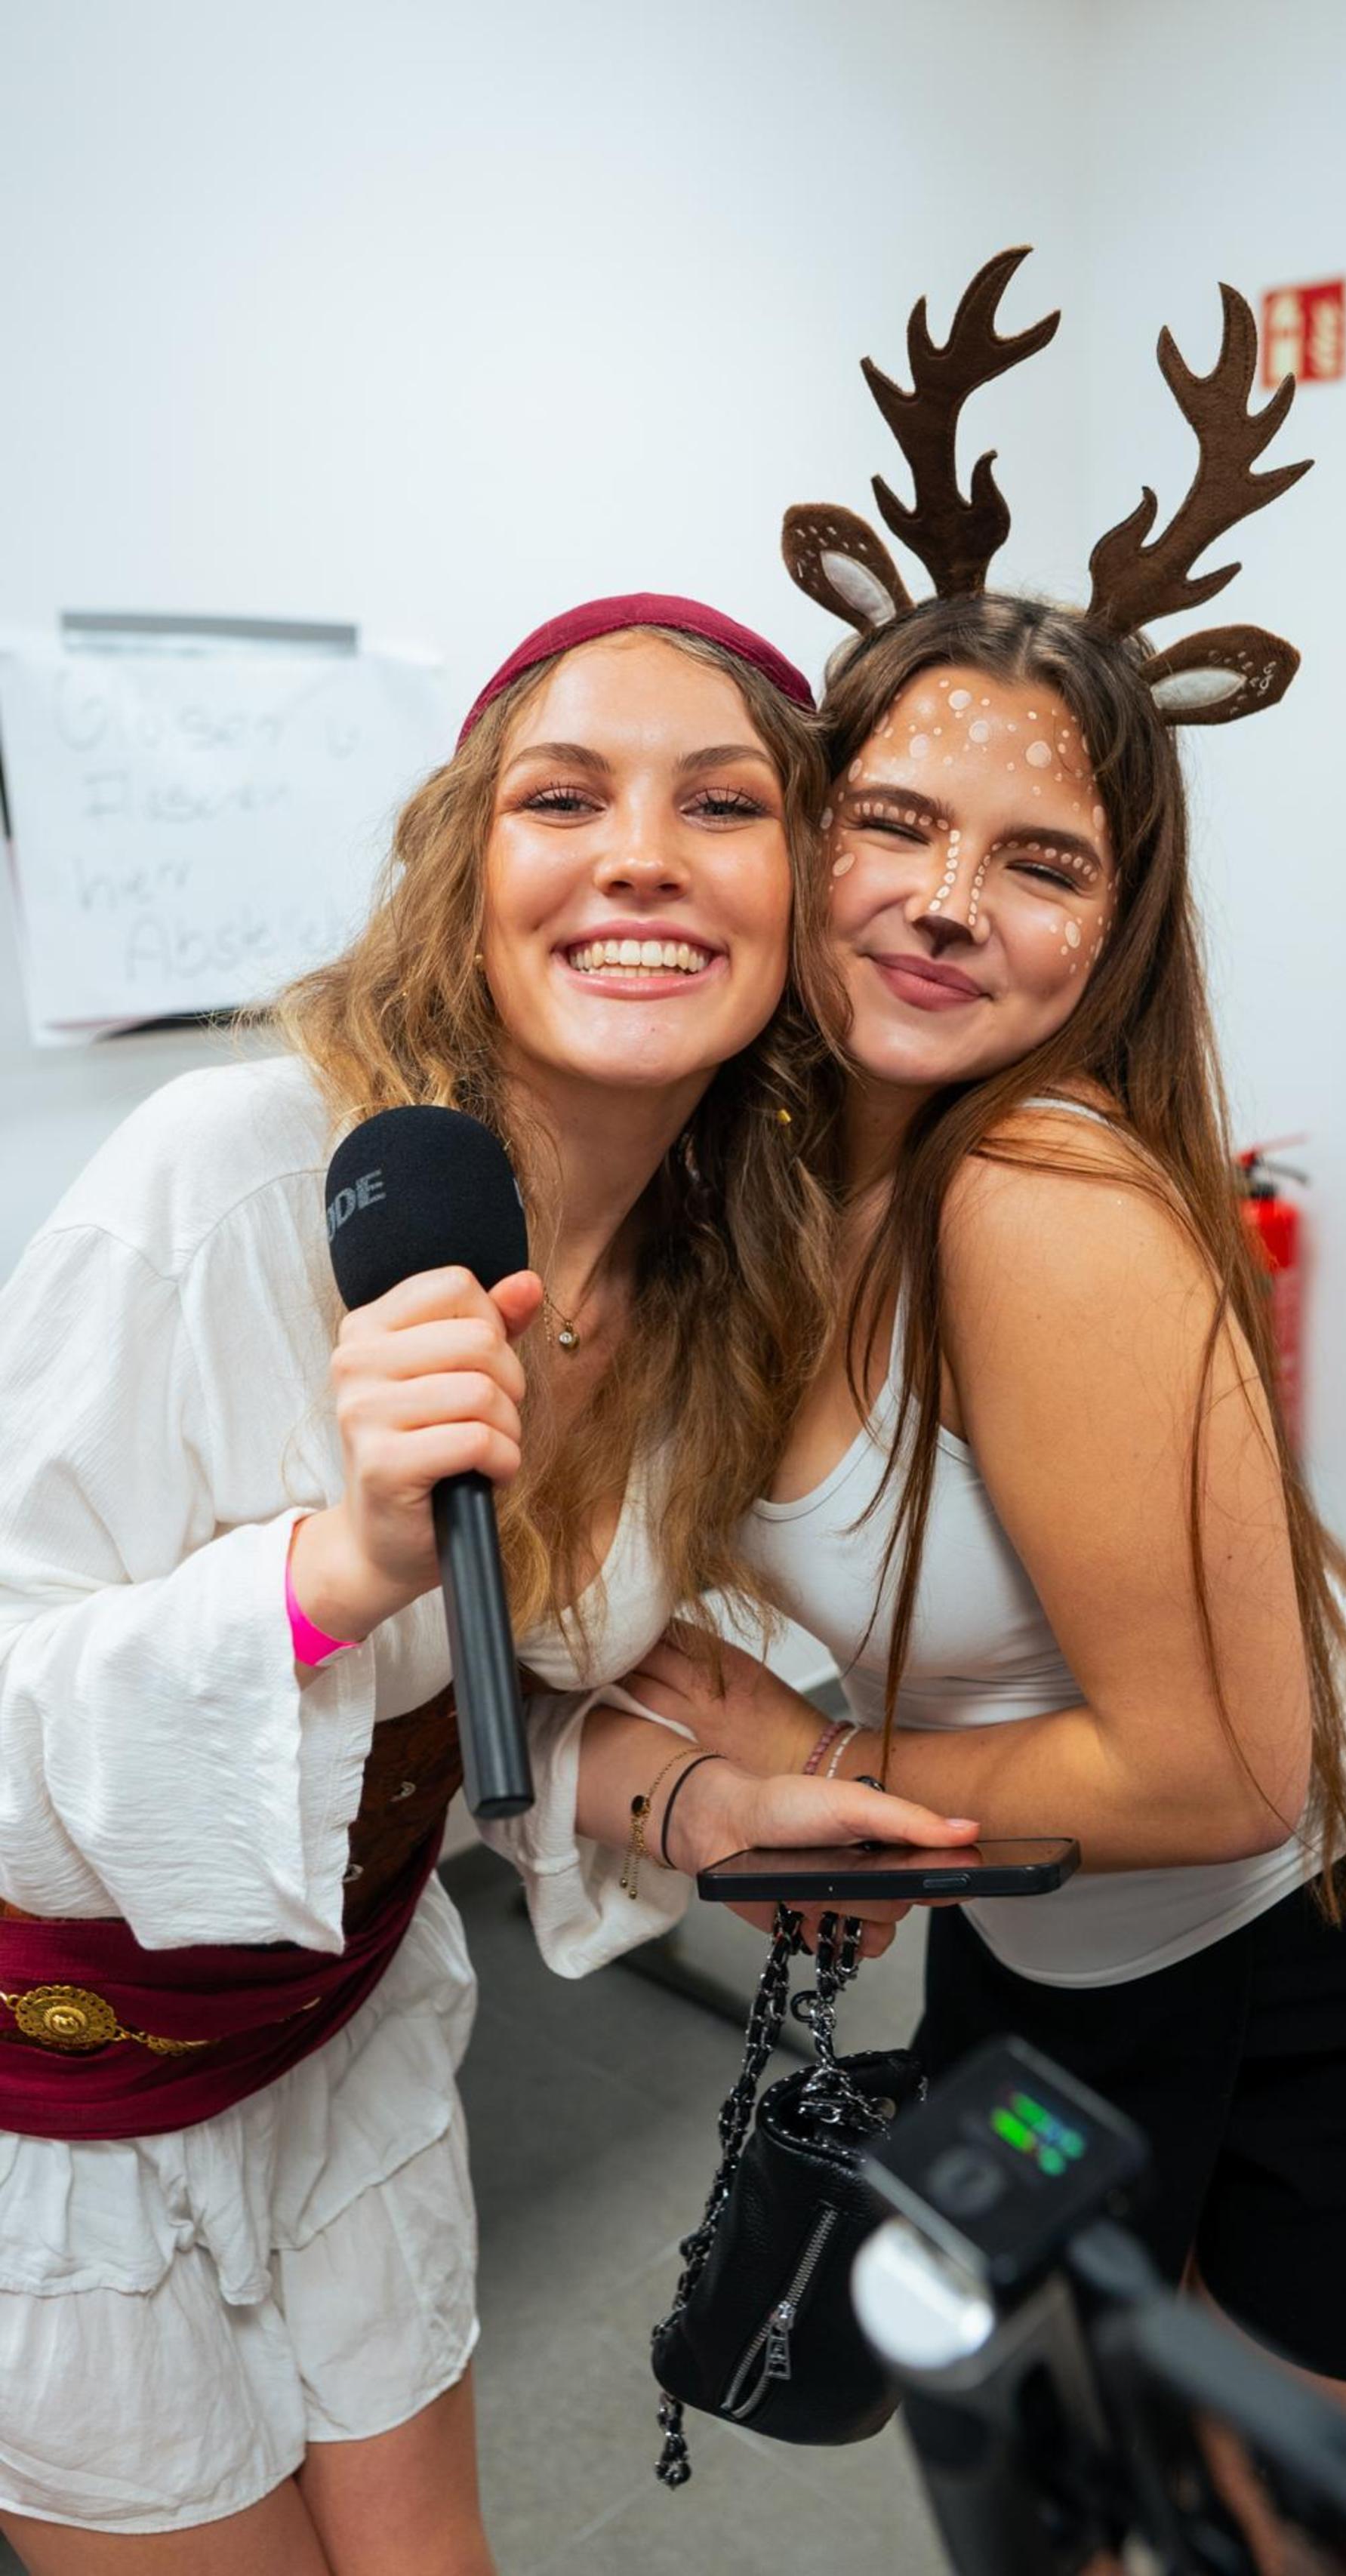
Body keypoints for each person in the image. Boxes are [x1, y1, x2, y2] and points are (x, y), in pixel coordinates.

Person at [0, 592, 975, 2572]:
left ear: (798, 904)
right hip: (62, 2124)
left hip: (350, 2041)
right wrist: (331, 1564)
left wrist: (716, 1807)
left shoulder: (706, 1282)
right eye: (565, 796)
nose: (639, 852)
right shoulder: (224, 1184)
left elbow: (507, 1698)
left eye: (720, 806)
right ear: (470, 879)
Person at [623, 264, 1346, 2471]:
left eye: (1042, 860)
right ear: (800, 833)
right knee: (1046, 2464)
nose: (946, 899)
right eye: (890, 822)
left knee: (1297, 2519)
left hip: (1332, 1957)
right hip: (1036, 1933)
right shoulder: (789, 1168)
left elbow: (1217, 1778)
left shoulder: (1040, 1201)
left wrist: (819, 1751)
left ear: (1118, 928)